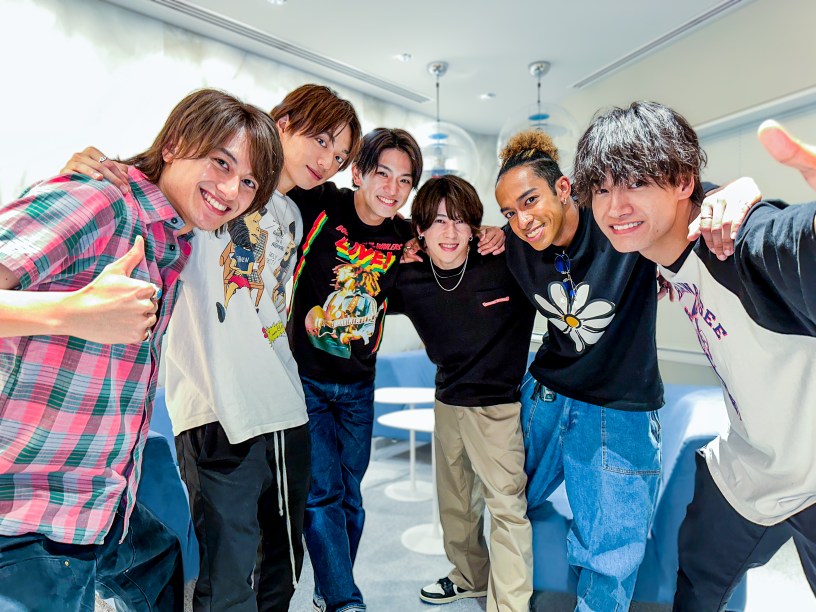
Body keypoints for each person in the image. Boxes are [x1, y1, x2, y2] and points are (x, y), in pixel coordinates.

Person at [59, 84, 362, 611]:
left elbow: (274, 307)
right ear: (283, 122)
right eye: (321, 140)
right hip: (208, 405)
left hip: (282, 404)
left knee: (281, 568)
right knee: (226, 576)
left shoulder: (292, 217)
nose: (327, 161)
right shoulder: (204, 194)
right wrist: (92, 168)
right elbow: (150, 180)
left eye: (339, 157)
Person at [0, 88, 282, 611]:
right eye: (221, 162)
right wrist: (71, 312)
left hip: (102, 503)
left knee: (160, 564)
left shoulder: (175, 238)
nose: (231, 190)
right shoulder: (99, 200)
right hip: (28, 512)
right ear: (173, 145)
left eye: (248, 181)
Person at [493, 128, 758, 611]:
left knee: (609, 558)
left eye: (529, 200)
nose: (522, 220)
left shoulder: (617, 223)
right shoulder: (514, 244)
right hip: (546, 394)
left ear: (564, 188)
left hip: (618, 406)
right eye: (509, 212)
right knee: (503, 501)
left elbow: (683, 204)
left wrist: (736, 192)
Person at [573, 101, 816, 611]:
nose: (615, 207)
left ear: (683, 181)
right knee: (696, 589)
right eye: (602, 189)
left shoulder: (737, 241)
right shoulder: (660, 249)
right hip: (748, 468)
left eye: (636, 182)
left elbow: (789, 243)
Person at [389, 175, 535, 611]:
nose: (449, 232)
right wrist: (400, 248)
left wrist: (502, 232)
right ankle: (470, 577)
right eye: (437, 222)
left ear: (474, 227)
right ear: (420, 231)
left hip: (498, 408)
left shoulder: (504, 260)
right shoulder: (407, 276)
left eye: (459, 221)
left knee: (506, 510)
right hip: (447, 400)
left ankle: (509, 605)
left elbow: (542, 226)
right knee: (456, 507)